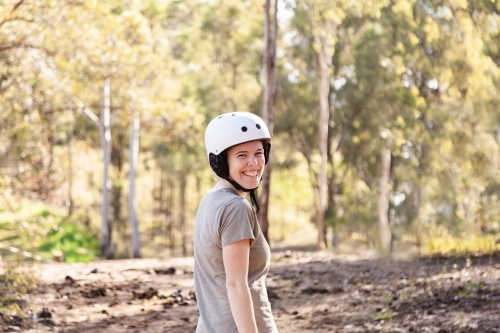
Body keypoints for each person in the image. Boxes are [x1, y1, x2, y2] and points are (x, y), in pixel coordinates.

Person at [194, 112, 279, 333]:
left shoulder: (210, 201)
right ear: (221, 162)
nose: (254, 163)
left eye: (259, 153)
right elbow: (236, 284)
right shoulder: (235, 208)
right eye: (242, 155)